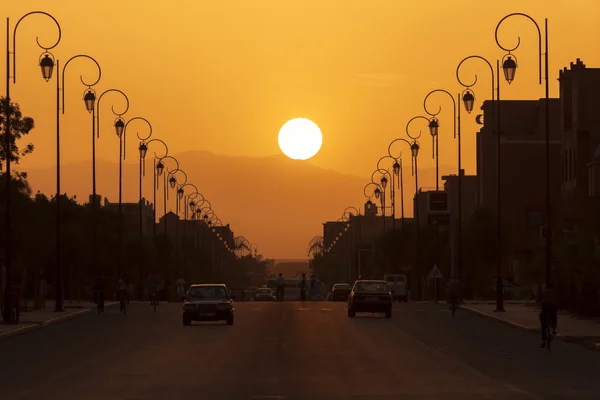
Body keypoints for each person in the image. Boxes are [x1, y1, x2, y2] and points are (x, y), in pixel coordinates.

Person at [540, 283, 558, 348]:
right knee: (554, 316)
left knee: (543, 324)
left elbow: (541, 299)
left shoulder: (544, 292)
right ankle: (553, 329)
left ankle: (544, 341)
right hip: (553, 307)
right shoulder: (555, 292)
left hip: (545, 307)